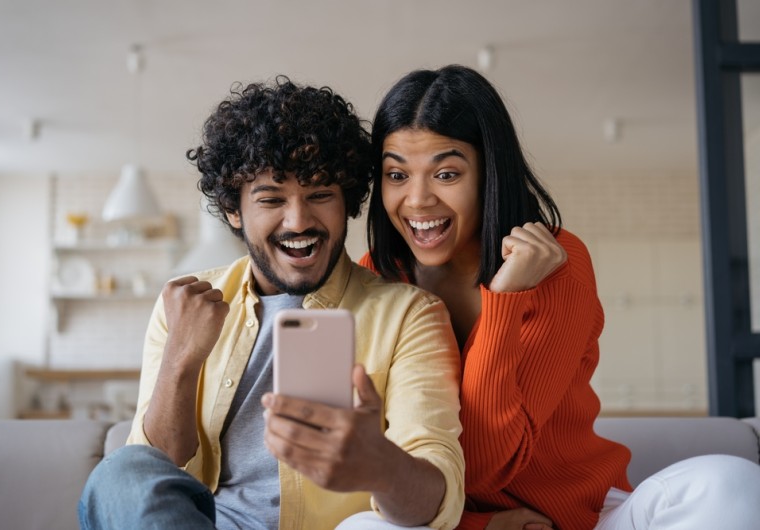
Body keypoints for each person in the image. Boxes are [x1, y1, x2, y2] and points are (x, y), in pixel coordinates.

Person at [360, 64, 760, 530]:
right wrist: (484, 526)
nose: (417, 200)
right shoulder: (378, 279)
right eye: (396, 175)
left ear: (490, 173)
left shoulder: (555, 261)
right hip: (449, 525)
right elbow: (398, 464)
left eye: (446, 173)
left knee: (730, 484)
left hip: (587, 520)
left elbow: (490, 462)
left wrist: (505, 297)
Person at [78, 76, 465, 530]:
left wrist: (380, 464)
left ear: (349, 203)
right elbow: (153, 477)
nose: (299, 220)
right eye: (272, 199)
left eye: (320, 195)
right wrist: (181, 361)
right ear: (234, 211)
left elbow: (438, 500)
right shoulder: (183, 305)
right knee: (121, 473)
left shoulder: (408, 315)